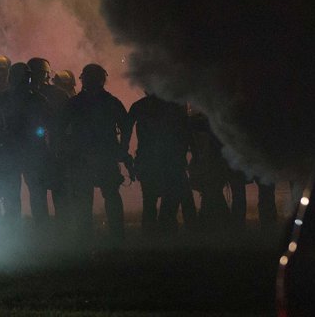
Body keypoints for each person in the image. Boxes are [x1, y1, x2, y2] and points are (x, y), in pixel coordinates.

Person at [63, 64, 130, 245]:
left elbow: (59, 128)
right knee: (110, 196)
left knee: (86, 199)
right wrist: (122, 150)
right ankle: (116, 237)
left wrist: (64, 150)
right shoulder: (111, 102)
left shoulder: (75, 103)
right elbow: (126, 126)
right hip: (103, 156)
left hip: (84, 157)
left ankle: (85, 239)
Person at [127, 92, 193, 233]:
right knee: (169, 199)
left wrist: (126, 158)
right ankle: (167, 234)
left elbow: (126, 131)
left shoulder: (139, 106)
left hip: (147, 161)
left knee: (149, 201)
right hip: (170, 161)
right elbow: (185, 133)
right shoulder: (174, 106)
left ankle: (150, 236)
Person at [0, 62, 49, 227]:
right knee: (32, 192)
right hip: (25, 151)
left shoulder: (2, 99)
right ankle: (39, 229)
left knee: (19, 192)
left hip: (18, 151)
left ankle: (18, 230)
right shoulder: (37, 99)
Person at [27, 58, 71, 229]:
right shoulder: (56, 94)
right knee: (46, 194)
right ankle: (54, 231)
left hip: (52, 151)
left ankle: (52, 231)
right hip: (41, 152)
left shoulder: (57, 94)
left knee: (50, 194)